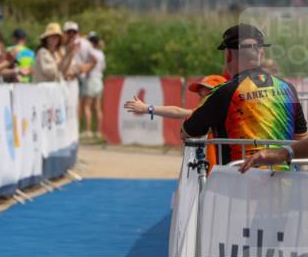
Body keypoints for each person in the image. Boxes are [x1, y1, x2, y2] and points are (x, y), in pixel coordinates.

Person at [182, 24, 306, 166]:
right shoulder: (288, 88)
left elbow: (186, 132)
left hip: (240, 181)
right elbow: (301, 137)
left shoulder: (223, 92)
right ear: (262, 54)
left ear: (228, 55)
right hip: (286, 182)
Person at [126, 74, 227, 167]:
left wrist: (147, 108)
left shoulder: (215, 113)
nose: (201, 98)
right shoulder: (205, 114)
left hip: (217, 170)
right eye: (199, 94)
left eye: (206, 94)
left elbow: (177, 111)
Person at [81, 33, 106, 139]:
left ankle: (88, 130)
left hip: (91, 79)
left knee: (87, 106)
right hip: (99, 80)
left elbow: (87, 66)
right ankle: (98, 131)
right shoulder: (101, 53)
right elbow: (103, 68)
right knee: (97, 107)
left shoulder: (90, 53)